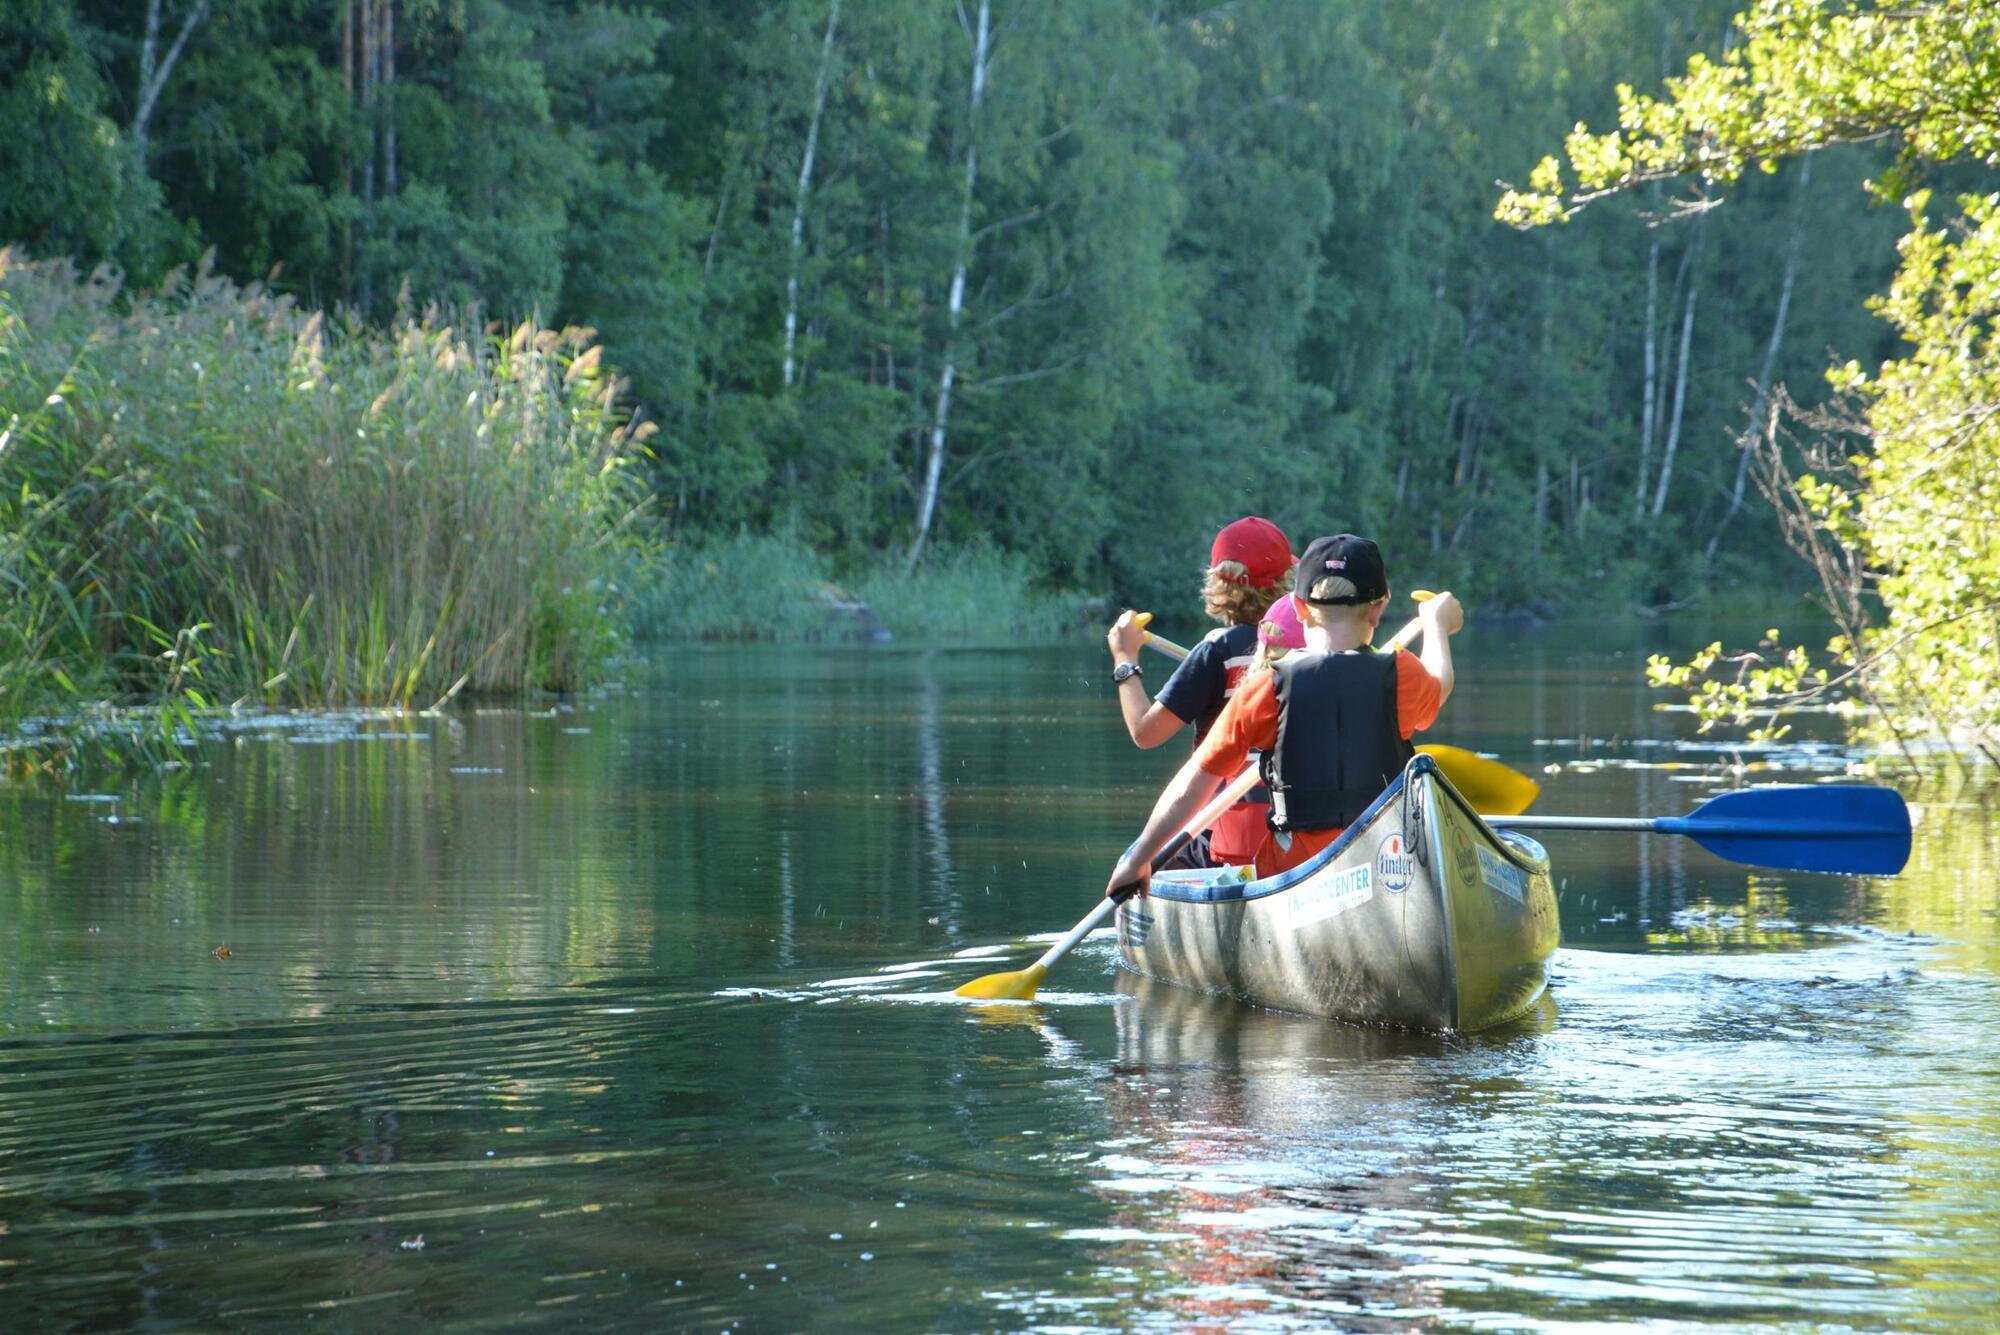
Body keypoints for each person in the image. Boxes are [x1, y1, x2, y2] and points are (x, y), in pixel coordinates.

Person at [1104, 534, 1463, 898]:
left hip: (1293, 880)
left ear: (1299, 607)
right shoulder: (1403, 673)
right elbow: (1440, 682)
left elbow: (1192, 785)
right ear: (1378, 609)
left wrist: (1137, 859)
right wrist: (1436, 627)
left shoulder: (1265, 688)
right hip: (1384, 869)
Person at [1104, 515, 1293, 867]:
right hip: (1296, 830)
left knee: (1137, 860)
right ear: (1284, 582)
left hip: (1221, 832)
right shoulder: (1308, 649)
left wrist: (1125, 659)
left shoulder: (1215, 653)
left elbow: (1146, 733)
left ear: (1217, 583)